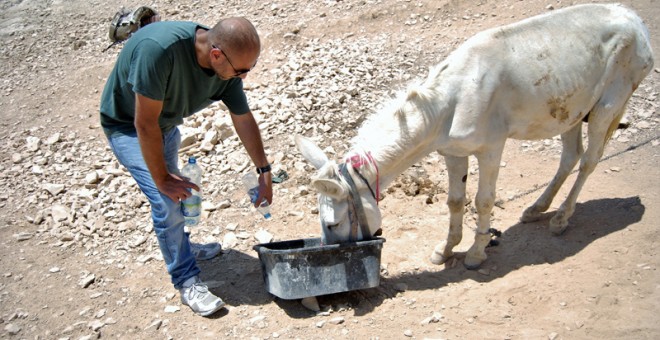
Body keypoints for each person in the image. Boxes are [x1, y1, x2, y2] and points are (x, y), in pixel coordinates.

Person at [99, 17, 273, 317]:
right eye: (242, 70)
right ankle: (186, 280)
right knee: (166, 198)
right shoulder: (159, 50)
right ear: (216, 55)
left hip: (164, 125)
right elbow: (144, 123)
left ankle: (184, 246)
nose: (244, 77)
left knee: (176, 191)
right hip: (128, 126)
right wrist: (162, 178)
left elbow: (243, 118)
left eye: (250, 68)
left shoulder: (225, 65)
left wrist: (264, 172)